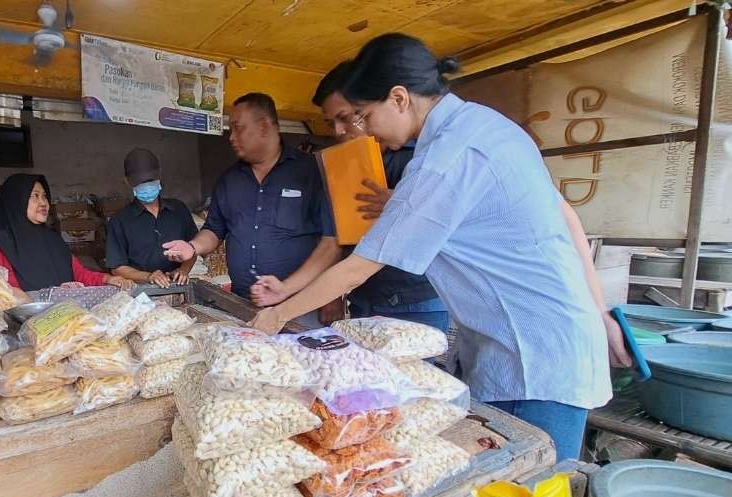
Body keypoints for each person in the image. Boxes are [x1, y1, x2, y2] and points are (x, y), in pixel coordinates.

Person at [250, 34, 631, 462]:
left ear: (398, 98)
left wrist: (276, 316)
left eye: (364, 115)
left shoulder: (446, 158)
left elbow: (360, 266)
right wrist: (597, 314)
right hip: (548, 341)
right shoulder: (487, 126)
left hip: (533, 360)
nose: (364, 129)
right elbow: (564, 221)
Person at [253, 60, 449, 330]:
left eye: (347, 118)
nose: (337, 131)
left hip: (415, 305)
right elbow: (331, 244)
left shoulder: (422, 159)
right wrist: (284, 289)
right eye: (330, 122)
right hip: (363, 301)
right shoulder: (341, 168)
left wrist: (406, 205)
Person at [162, 92, 339, 325]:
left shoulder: (310, 173)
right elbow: (215, 229)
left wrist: (331, 295)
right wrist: (192, 247)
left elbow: (332, 242)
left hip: (300, 305)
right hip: (242, 304)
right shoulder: (230, 180)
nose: (231, 137)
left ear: (264, 126)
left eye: (238, 128)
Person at [0, 173, 133, 291]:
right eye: (35, 196)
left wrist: (107, 279)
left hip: (64, 320)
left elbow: (79, 274)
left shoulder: (53, 240)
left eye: (44, 196)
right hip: (19, 325)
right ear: (15, 201)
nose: (43, 202)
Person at [107, 148, 198, 289]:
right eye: (140, 183)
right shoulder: (119, 221)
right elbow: (117, 268)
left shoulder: (179, 210)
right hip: (139, 294)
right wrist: (148, 276)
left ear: (159, 175)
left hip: (177, 287)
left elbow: (193, 248)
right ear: (127, 182)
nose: (147, 186)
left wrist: (183, 270)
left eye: (150, 181)